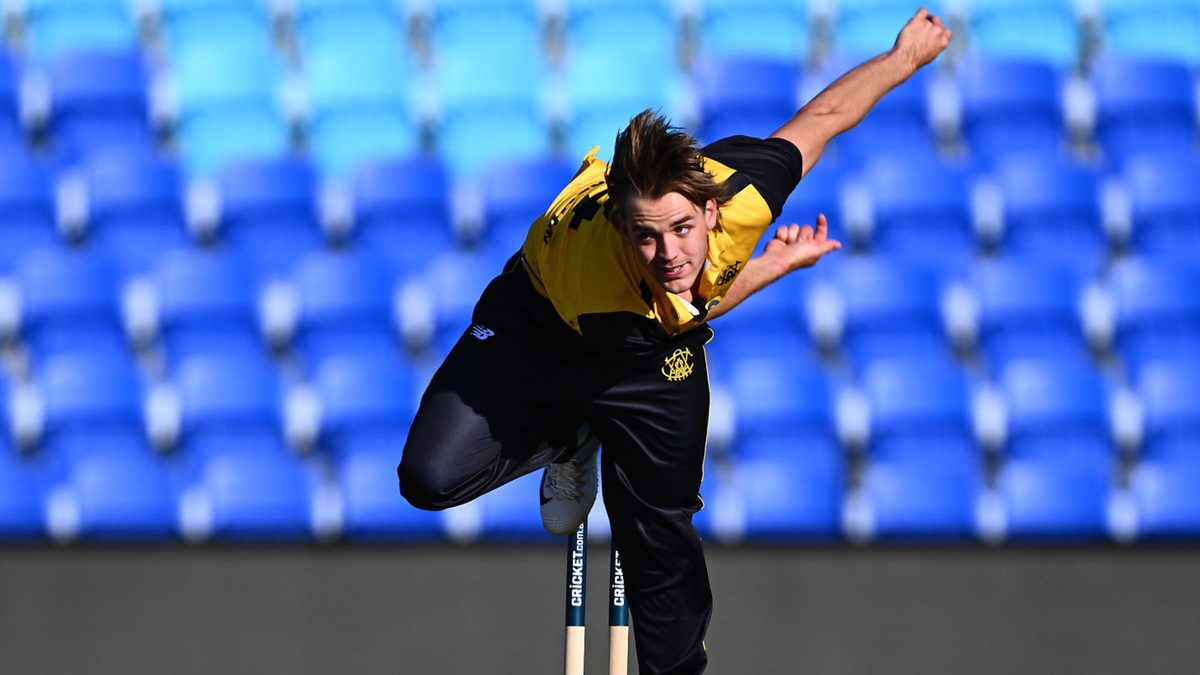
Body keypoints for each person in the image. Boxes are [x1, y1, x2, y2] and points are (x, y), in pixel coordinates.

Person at [398, 9, 952, 674]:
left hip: (645, 349)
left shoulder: (742, 194)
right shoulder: (598, 276)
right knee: (429, 478)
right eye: (646, 235)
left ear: (711, 209)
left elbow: (826, 116)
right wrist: (764, 271)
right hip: (541, 322)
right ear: (623, 228)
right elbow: (675, 307)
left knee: (658, 535)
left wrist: (904, 58)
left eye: (682, 230)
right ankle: (573, 434)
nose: (667, 253)